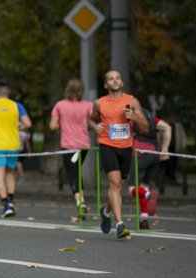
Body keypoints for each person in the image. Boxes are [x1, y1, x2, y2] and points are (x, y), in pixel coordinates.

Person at [90, 70, 149, 239]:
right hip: (107, 145)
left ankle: (106, 212)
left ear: (122, 83)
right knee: (115, 183)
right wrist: (95, 127)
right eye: (111, 79)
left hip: (126, 147)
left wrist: (135, 118)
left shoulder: (132, 101)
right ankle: (120, 225)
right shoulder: (99, 103)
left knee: (118, 187)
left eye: (117, 78)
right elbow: (91, 119)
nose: (115, 81)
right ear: (105, 85)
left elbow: (145, 127)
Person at [0, 80, 32, 218]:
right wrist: (16, 128)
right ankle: (11, 200)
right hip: (13, 145)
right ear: (8, 92)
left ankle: (6, 205)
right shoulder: (17, 106)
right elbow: (28, 123)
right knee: (10, 173)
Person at [50, 78, 94, 218]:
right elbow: (94, 123)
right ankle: (81, 200)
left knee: (72, 174)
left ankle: (80, 203)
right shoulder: (88, 105)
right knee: (77, 171)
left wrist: (61, 125)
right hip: (84, 144)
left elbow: (52, 126)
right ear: (81, 90)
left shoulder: (60, 105)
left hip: (68, 145)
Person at [128, 109, 171, 229]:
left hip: (138, 154)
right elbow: (167, 127)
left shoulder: (131, 116)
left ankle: (148, 194)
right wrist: (164, 150)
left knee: (132, 189)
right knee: (143, 186)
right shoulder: (150, 117)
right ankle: (144, 220)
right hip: (154, 155)